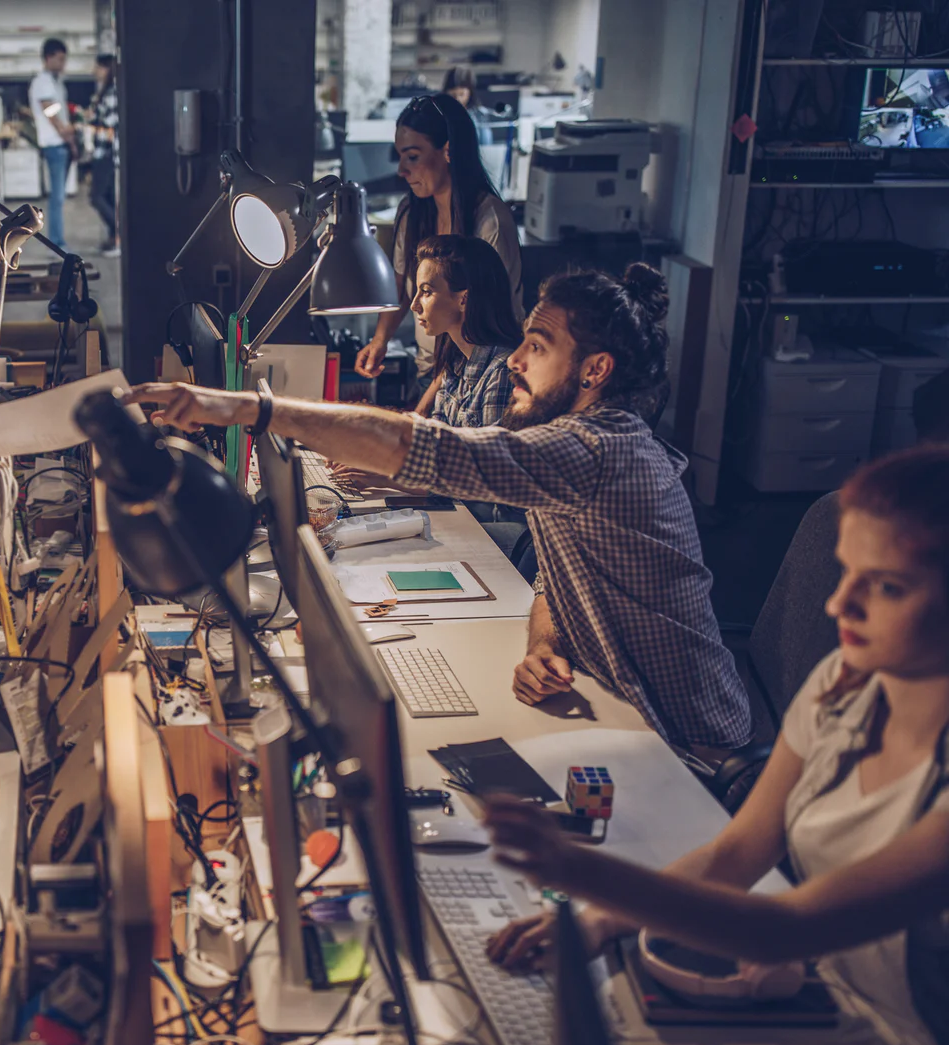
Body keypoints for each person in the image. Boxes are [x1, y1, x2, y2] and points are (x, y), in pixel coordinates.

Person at [124, 264, 753, 757]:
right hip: (618, 708)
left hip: (689, 747)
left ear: (595, 370)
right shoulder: (573, 450)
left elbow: (423, 447)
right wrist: (542, 645)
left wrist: (248, 409)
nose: (515, 359)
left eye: (537, 345)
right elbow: (554, 579)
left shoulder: (593, 448)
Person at [483, 442, 949, 1045]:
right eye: (847, 573)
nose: (840, 604)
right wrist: (598, 920)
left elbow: (790, 927)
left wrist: (577, 872)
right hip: (824, 1012)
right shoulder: (848, 683)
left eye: (886, 587)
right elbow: (735, 855)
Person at [355, 93, 522, 389]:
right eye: (401, 156)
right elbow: (401, 285)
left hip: (478, 378)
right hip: (428, 370)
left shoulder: (490, 220)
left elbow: (486, 324)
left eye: (413, 156)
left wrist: (421, 410)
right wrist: (380, 341)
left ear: (448, 151)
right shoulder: (412, 212)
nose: (402, 170)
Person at [408, 234, 520, 426]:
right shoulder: (455, 360)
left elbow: (489, 454)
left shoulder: (501, 372)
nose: (414, 305)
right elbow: (435, 436)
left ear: (464, 299)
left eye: (426, 292)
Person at [29, 38, 74, 252]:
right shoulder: (43, 82)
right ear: (49, 58)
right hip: (54, 144)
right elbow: (50, 111)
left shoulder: (55, 81)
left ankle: (57, 239)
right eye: (60, 59)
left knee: (59, 196)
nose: (63, 63)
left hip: (60, 143)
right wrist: (65, 132)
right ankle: (56, 242)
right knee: (57, 197)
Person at [87, 54, 119, 257]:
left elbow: (110, 130)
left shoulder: (112, 94)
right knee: (106, 196)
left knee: (97, 197)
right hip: (103, 152)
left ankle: (120, 236)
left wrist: (87, 128)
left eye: (99, 67)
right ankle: (113, 238)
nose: (95, 70)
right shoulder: (106, 92)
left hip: (107, 153)